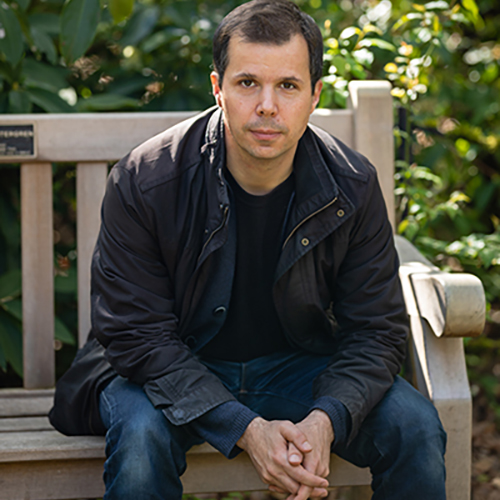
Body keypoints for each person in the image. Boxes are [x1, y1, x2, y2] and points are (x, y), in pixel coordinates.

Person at [50, 1, 447, 499]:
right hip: (169, 366)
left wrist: (326, 419)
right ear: (217, 89)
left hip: (295, 368)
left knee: (414, 426)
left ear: (314, 95)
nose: (267, 106)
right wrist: (246, 428)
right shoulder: (146, 179)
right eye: (246, 84)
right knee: (140, 438)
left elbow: (375, 332)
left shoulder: (352, 184)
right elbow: (136, 335)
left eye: (287, 86)